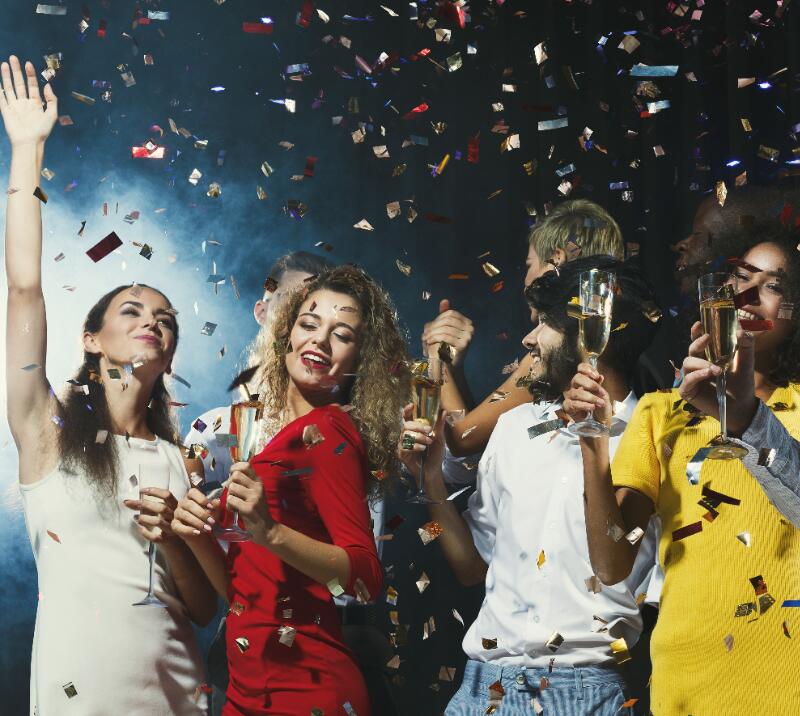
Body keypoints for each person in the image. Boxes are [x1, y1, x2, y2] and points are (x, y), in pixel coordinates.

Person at [1, 55, 216, 714]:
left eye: (165, 320)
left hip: (176, 698)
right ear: (91, 340)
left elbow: (204, 609)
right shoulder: (46, 432)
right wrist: (29, 150)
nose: (152, 322)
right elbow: (26, 286)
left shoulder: (180, 460)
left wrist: (177, 538)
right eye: (132, 310)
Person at [399, 256, 660, 715]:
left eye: (545, 325)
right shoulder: (516, 427)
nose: (529, 338)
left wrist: (593, 441)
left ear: (591, 333)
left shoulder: (653, 434)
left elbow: (620, 560)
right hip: (481, 690)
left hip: (581, 692)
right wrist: (431, 479)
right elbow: (470, 569)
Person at [569, 228, 800, 713]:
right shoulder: (661, 413)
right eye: (739, 276)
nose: (748, 293)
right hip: (686, 687)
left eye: (774, 285)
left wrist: (744, 420)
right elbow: (612, 563)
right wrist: (593, 444)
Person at [172, 265, 410, 715]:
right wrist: (196, 536)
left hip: (303, 690)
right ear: (286, 335)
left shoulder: (328, 431)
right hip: (247, 688)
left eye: (342, 335)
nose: (319, 340)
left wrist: (271, 532)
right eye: (309, 323)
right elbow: (242, 594)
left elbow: (365, 581)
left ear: (361, 362)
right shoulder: (282, 436)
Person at [422, 199, 624, 471]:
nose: (525, 280)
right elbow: (483, 434)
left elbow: (462, 439)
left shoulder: (556, 348)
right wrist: (455, 372)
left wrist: (438, 357)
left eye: (529, 265)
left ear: (556, 259)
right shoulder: (599, 332)